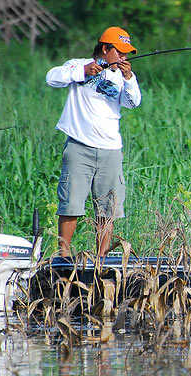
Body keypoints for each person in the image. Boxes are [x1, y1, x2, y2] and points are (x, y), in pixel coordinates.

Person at [46, 26, 141, 257]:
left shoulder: (123, 76)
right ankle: (64, 255)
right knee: (71, 204)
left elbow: (132, 102)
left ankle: (102, 259)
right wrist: (84, 71)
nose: (124, 57)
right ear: (105, 48)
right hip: (79, 146)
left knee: (107, 209)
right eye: (119, 52)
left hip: (111, 150)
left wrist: (128, 78)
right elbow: (52, 78)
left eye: (127, 53)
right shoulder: (78, 65)